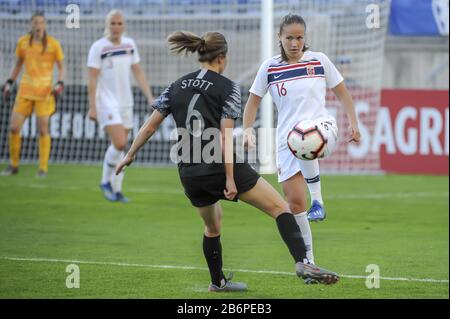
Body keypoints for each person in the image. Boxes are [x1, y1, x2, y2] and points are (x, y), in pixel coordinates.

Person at [116, 30, 340, 291]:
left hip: (188, 171)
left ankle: (217, 282)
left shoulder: (176, 86)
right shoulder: (228, 88)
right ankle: (304, 262)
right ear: (222, 58)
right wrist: (231, 179)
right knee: (281, 209)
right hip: (220, 166)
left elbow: (149, 127)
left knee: (212, 226)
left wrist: (129, 154)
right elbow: (224, 137)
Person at [243, 14, 361, 272]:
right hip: (287, 142)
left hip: (322, 129)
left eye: (299, 37)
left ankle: (318, 200)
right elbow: (253, 100)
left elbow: (342, 92)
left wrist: (354, 123)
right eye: (289, 38)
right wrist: (247, 130)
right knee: (295, 203)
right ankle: (309, 262)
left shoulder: (319, 60)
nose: (295, 43)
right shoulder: (270, 67)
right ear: (280, 38)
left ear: (305, 38)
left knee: (304, 136)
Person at [87, 9, 154, 203]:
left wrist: (150, 97)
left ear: (124, 26)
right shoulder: (98, 47)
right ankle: (105, 182)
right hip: (106, 101)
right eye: (112, 23)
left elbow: (138, 73)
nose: (116, 27)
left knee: (123, 148)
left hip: (126, 102)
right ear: (107, 25)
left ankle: (117, 190)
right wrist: (92, 106)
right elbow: (91, 78)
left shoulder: (129, 44)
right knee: (120, 143)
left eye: (119, 23)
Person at [1, 11, 65, 177]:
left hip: (44, 93)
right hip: (25, 91)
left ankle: (42, 168)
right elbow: (17, 65)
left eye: (41, 22)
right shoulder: (23, 43)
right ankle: (13, 165)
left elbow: (61, 67)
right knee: (14, 127)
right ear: (31, 24)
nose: (38, 26)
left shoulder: (53, 44)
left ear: (45, 25)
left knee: (43, 130)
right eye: (35, 22)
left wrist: (60, 82)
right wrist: (9, 82)